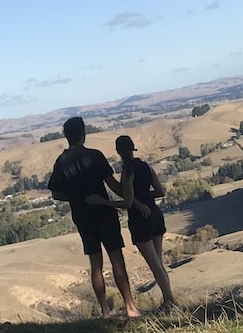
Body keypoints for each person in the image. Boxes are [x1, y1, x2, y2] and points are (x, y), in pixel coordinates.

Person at [47, 117, 141, 319]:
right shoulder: (95, 156)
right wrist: (129, 191)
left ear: (66, 136)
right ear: (83, 134)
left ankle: (105, 311)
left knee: (95, 264)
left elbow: (56, 194)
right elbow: (112, 185)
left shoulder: (60, 162)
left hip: (82, 216)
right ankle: (131, 308)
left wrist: (76, 197)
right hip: (104, 214)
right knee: (117, 260)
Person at [87, 135, 177, 314]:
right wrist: (143, 198)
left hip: (140, 221)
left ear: (118, 151)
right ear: (133, 148)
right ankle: (168, 301)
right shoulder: (146, 167)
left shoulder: (127, 172)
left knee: (155, 265)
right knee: (158, 263)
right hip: (156, 215)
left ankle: (172, 302)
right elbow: (160, 191)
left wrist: (102, 202)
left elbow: (126, 203)